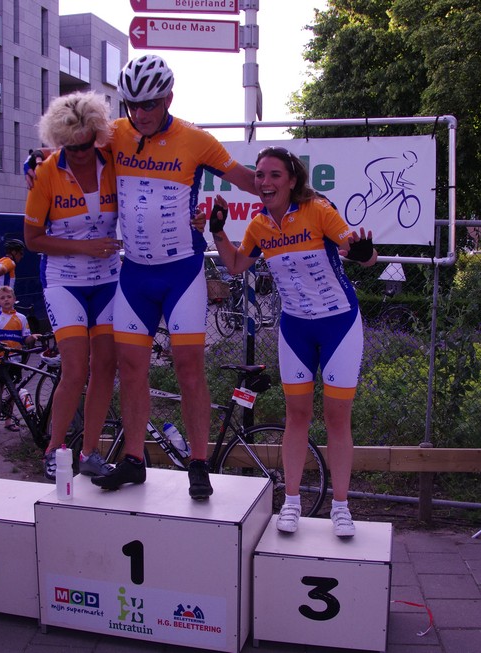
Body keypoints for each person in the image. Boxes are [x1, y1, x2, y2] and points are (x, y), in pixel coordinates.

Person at [87, 54, 258, 500]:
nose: (140, 114)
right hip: (134, 274)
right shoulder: (114, 133)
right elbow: (69, 152)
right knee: (131, 369)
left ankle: (198, 463)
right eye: (132, 105)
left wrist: (302, 195)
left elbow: (249, 180)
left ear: (168, 98)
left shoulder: (195, 139)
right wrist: (38, 165)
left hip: (182, 272)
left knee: (189, 370)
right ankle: (133, 459)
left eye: (149, 104)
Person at [207, 146, 378, 538]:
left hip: (339, 326)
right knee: (296, 416)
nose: (265, 182)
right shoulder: (258, 225)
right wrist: (218, 231)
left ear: (292, 180)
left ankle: (341, 507)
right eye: (260, 175)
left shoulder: (318, 210)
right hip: (296, 328)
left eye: (274, 175)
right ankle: (292, 503)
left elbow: (360, 252)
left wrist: (365, 254)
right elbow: (235, 264)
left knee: (337, 418)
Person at [24, 90, 121, 482]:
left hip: (108, 279)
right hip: (64, 281)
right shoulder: (46, 172)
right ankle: (53, 449)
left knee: (106, 367)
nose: (79, 154)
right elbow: (32, 239)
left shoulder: (111, 158)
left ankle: (90, 451)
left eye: (86, 145)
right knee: (76, 368)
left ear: (97, 135)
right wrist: (85, 247)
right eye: (70, 147)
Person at [0, 285, 39, 434]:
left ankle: (8, 420)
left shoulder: (22, 318)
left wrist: (32, 337)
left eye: (9, 297)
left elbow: (25, 338)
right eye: (2, 298)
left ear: (14, 299)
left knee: (13, 391)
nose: (6, 300)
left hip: (15, 359)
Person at [0, 239, 25, 306]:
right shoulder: (10, 263)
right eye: (21, 253)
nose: (22, 256)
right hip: (2, 301)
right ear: (14, 252)